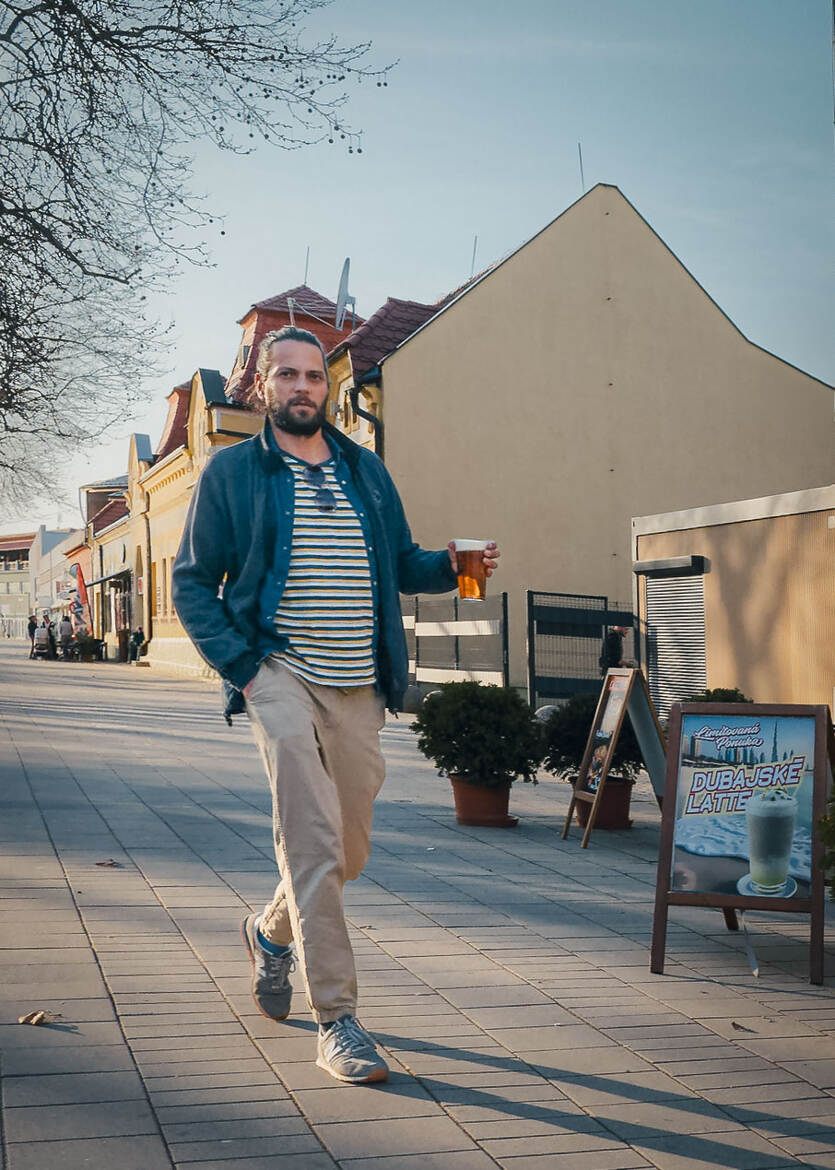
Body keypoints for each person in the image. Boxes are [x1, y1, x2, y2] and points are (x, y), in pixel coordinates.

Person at [173, 326, 499, 1085]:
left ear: (327, 385)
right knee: (313, 844)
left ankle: (270, 931)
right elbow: (194, 582)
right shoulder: (232, 474)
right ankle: (339, 1021)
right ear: (262, 387)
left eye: (314, 376)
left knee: (346, 852)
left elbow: (400, 563)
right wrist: (246, 672)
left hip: (361, 687)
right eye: (285, 375)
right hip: (280, 675)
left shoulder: (364, 470)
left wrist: (452, 565)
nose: (301, 388)